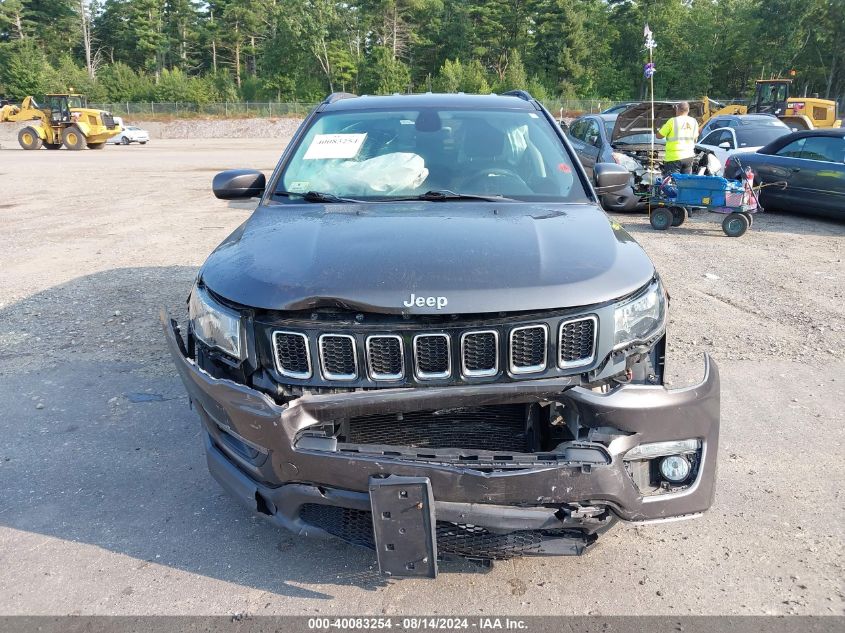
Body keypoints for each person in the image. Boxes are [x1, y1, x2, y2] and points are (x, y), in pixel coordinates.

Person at [656, 101, 699, 175]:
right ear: (688, 110)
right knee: (685, 183)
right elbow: (695, 138)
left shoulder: (672, 121)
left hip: (674, 158)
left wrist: (662, 128)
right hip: (688, 157)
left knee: (673, 183)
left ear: (677, 109)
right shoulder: (694, 121)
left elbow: (659, 136)